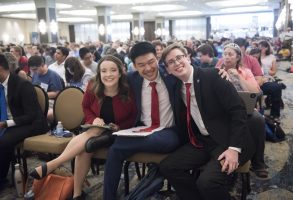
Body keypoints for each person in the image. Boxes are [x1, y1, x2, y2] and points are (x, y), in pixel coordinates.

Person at [29, 55, 137, 199]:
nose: (108, 74)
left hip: (120, 133)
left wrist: (119, 126)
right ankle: (77, 194)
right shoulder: (93, 84)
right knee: (86, 147)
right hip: (96, 130)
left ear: (120, 71)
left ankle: (54, 164)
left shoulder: (128, 88)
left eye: (112, 70)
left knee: (92, 134)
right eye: (104, 71)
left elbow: (134, 115)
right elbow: (85, 107)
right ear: (99, 73)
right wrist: (94, 119)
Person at [159, 43, 254, 200]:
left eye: (179, 58)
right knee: (168, 167)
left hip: (230, 140)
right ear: (168, 69)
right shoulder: (176, 87)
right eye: (170, 62)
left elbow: (238, 111)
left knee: (207, 182)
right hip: (203, 141)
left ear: (188, 58)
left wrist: (234, 148)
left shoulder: (213, 76)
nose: (176, 63)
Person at [102, 42, 180, 200]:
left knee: (120, 142)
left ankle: (113, 140)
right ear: (134, 66)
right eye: (141, 65)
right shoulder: (132, 79)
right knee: (115, 150)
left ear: (157, 58)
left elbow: (196, 73)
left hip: (169, 132)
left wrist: (220, 72)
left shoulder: (172, 76)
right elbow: (103, 83)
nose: (148, 68)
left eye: (151, 62)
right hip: (142, 129)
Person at [217, 43, 268, 178]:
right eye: (225, 54)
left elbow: (256, 92)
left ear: (238, 57)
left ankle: (258, 163)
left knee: (258, 120)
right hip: (222, 109)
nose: (226, 57)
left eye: (230, 54)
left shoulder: (245, 71)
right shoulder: (217, 70)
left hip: (244, 108)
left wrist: (238, 77)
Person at [0, 54, 49, 191]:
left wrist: (6, 123)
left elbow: (31, 115)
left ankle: (1, 179)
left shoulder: (22, 85)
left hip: (32, 123)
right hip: (11, 121)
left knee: (4, 140)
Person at [29, 56, 64, 122]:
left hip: (51, 102)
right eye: (32, 70)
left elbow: (57, 93)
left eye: (35, 69)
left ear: (42, 65)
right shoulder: (36, 74)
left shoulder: (53, 75)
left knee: (42, 115)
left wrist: (41, 95)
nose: (33, 72)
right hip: (38, 101)